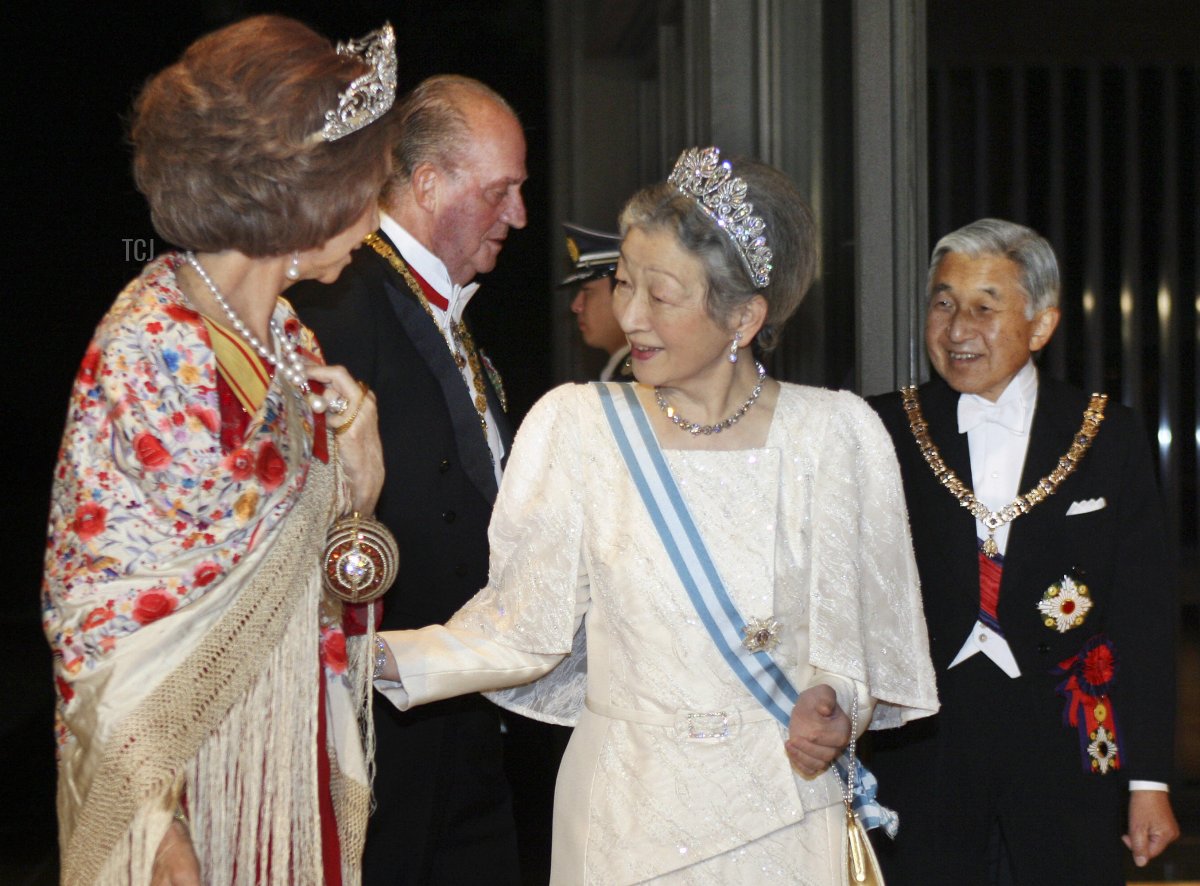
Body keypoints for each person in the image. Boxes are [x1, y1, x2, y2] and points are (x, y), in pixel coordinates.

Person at [370, 146, 939, 883]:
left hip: (783, 812)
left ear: (745, 316)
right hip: (624, 815)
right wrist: (368, 657)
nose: (629, 314)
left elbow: (853, 643)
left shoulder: (835, 436)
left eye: (660, 295)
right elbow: (521, 629)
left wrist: (835, 705)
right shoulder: (579, 428)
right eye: (623, 282)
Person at [41, 15, 396, 885]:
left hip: (286, 770)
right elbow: (99, 622)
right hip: (190, 797)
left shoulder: (285, 339)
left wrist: (363, 489)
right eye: (368, 188)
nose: (377, 217)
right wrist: (159, 831)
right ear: (305, 192)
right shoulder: (150, 346)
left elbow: (326, 593)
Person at [867, 218, 1180, 884]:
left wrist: (1148, 779)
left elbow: (1143, 620)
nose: (957, 328)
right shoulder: (881, 430)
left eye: (985, 307)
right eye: (944, 303)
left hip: (1065, 752)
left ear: (1040, 326)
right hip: (924, 754)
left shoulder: (1107, 435)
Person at [288, 74, 530, 884]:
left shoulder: (451, 317)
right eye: (501, 192)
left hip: (463, 723)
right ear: (429, 185)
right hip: (381, 740)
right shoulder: (341, 302)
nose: (519, 216)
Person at [559, 221, 632, 380]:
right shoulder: (625, 372)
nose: (576, 306)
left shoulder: (639, 380)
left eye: (587, 291)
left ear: (626, 293)